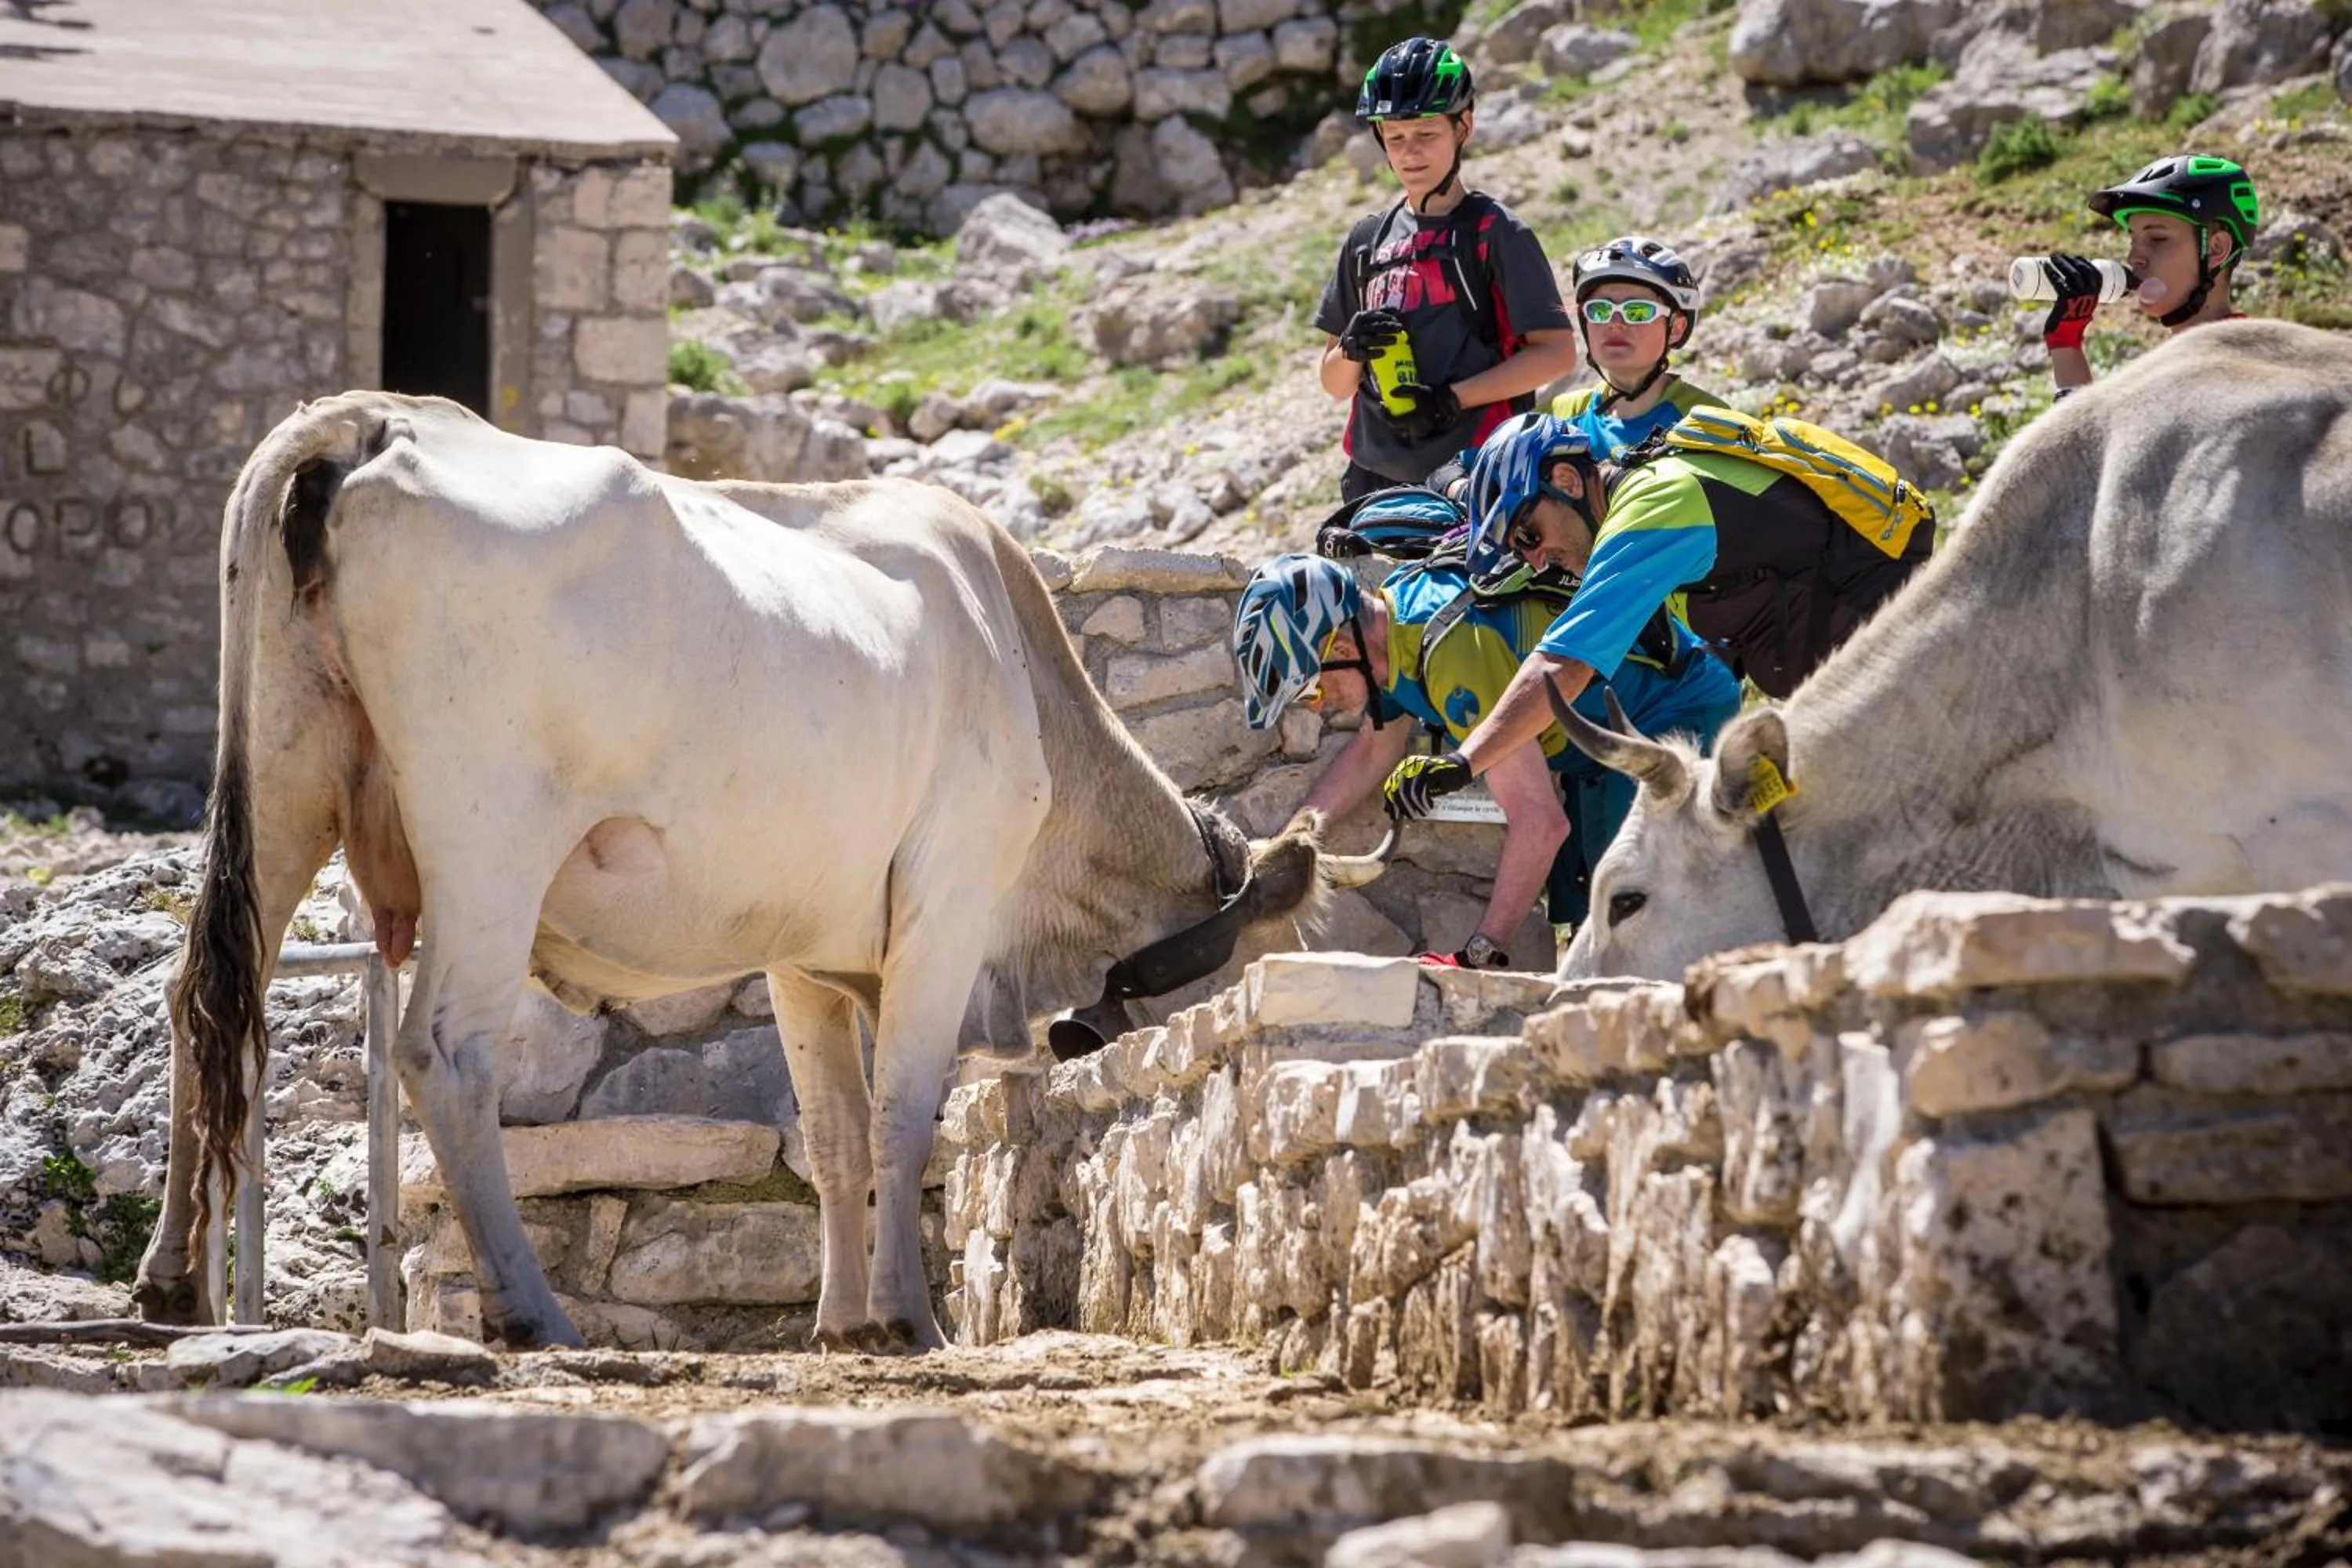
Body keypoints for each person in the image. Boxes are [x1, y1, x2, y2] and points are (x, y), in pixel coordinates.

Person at [1377, 412, 1930, 823]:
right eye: (1521, 551)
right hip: (1865, 669)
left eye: (1528, 533)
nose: (1535, 558)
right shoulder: (1641, 499)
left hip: (1898, 663)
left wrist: (1464, 763)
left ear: (1567, 482)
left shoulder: (1654, 504)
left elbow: (1564, 665)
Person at [1232, 551, 1738, 965]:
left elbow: (1540, 823)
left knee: (1641, 925)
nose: (1318, 707)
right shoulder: (1398, 630)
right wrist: (1291, 842)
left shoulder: (1454, 657)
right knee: (1594, 926)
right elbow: (1374, 747)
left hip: (1668, 718)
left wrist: (1481, 951)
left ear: (1342, 644)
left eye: (1312, 689)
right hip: (1596, 746)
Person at [1315, 37, 1578, 503]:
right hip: (1373, 477)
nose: (1410, 152)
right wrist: (1351, 350)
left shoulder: (1495, 232)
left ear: (1464, 128)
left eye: (1426, 134)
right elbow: (1335, 384)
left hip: (1475, 470)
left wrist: (1449, 400)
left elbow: (1556, 354)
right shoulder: (1365, 242)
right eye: (1395, 138)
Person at [2038, 154, 2258, 397]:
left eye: (2157, 239)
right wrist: (2066, 344)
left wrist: (2066, 347)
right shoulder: (2189, 362)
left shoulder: (2234, 369)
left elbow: (2086, 435)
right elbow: (2087, 434)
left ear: (2216, 249)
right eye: (2133, 239)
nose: (2134, 258)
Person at [1551, 234, 1729, 459]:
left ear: (1676, 328)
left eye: (1637, 312)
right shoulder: (1557, 417)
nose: (1615, 324)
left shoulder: (1711, 423)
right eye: (1600, 310)